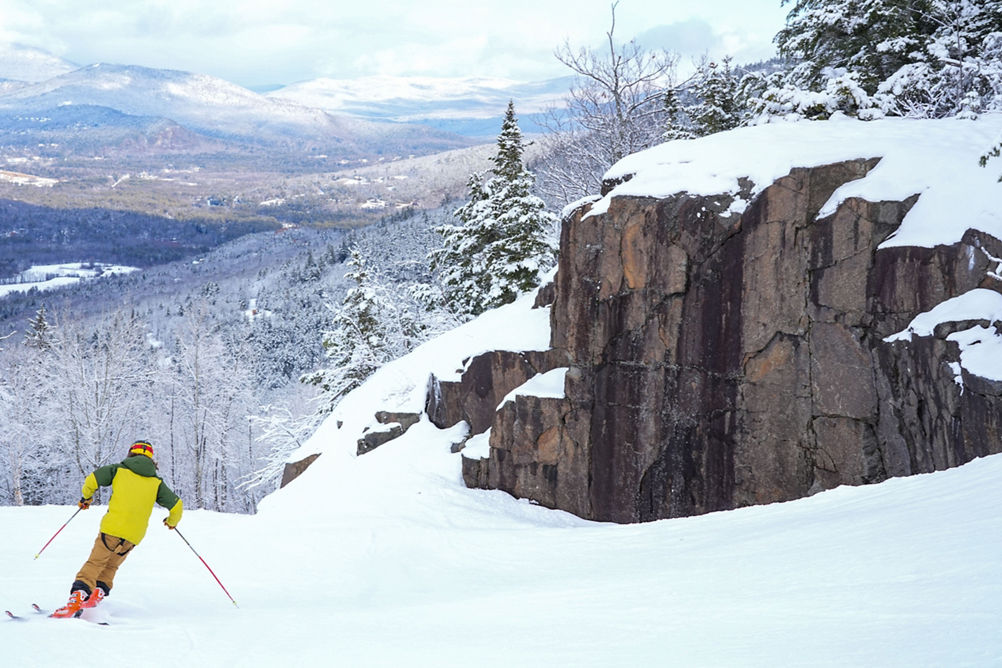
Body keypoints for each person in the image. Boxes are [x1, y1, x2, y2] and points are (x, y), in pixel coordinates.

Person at [51, 440, 183, 618]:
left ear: (131, 453)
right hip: (134, 535)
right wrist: (172, 521)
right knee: (112, 565)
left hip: (112, 528)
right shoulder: (156, 482)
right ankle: (98, 592)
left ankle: (78, 596)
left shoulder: (119, 470)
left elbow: (92, 479)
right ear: (151, 459)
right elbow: (177, 505)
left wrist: (86, 497)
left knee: (95, 562)